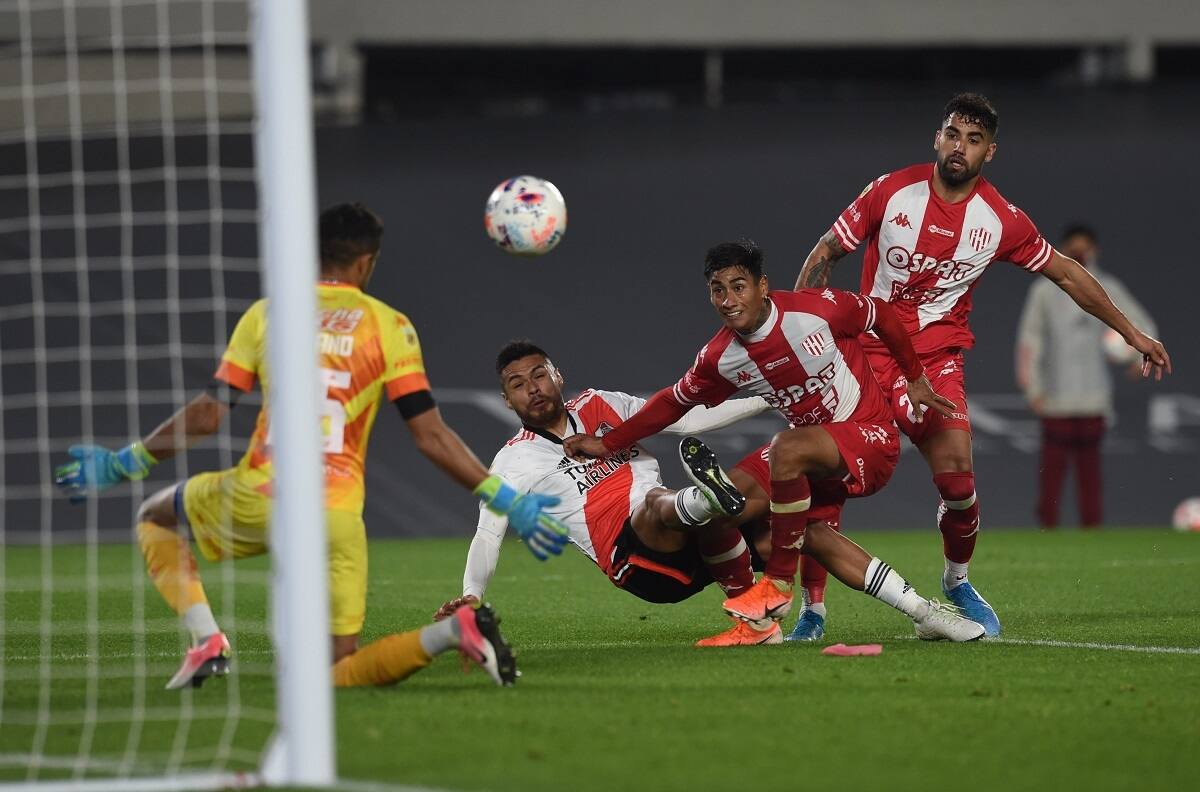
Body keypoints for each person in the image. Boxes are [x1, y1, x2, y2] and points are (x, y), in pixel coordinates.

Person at [54, 202, 570, 689]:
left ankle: (207, 640)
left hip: (262, 496)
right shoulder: (389, 326)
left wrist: (127, 462)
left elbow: (209, 413)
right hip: (337, 516)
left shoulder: (268, 315)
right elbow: (430, 436)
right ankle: (451, 633)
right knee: (336, 671)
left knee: (154, 517)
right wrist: (507, 501)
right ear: (366, 262)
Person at [791, 92, 1171, 639]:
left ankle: (957, 581)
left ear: (989, 152)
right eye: (952, 134)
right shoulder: (891, 191)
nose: (959, 147)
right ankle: (813, 609)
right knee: (826, 476)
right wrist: (803, 340)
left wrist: (1132, 334)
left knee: (959, 480)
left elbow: (1066, 273)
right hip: (866, 357)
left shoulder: (999, 220)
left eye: (973, 140)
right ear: (937, 138)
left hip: (936, 361)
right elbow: (827, 251)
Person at [564, 239, 985, 644]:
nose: (728, 300)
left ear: (762, 285)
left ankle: (778, 584)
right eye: (717, 290)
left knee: (786, 447)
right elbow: (673, 402)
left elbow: (882, 315)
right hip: (807, 460)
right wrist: (609, 443)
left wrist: (915, 377)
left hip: (869, 438)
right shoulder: (721, 357)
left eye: (738, 286)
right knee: (721, 506)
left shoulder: (815, 310)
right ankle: (925, 614)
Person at [434, 339, 781, 645]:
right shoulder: (513, 460)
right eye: (518, 384)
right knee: (657, 502)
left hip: (689, 532)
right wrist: (472, 595)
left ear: (558, 376)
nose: (533, 389)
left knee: (783, 521)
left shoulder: (600, 404)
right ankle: (705, 499)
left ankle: (783, 619)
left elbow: (686, 421)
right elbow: (488, 534)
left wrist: (766, 400)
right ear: (507, 400)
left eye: (539, 375)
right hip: (638, 563)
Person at [1016, 223, 1157, 529]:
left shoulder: (1108, 288)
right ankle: (1047, 530)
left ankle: (1092, 530)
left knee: (1090, 474)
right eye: (1074, 248)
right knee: (1051, 474)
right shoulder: (1043, 291)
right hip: (1055, 398)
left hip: (1094, 397)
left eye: (1085, 248)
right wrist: (1032, 388)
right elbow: (1030, 342)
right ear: (1062, 250)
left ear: (1095, 251)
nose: (1080, 254)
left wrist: (1139, 356)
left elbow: (1139, 325)